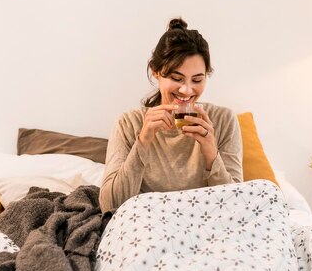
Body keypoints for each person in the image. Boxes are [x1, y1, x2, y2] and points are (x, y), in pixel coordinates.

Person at [99, 18, 243, 212]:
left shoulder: (224, 120)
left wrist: (211, 152)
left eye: (197, 80)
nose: (186, 90)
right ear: (156, 72)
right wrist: (143, 140)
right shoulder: (128, 124)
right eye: (177, 78)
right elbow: (110, 206)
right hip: (149, 228)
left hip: (207, 227)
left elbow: (236, 207)